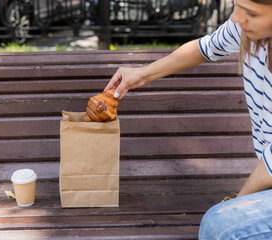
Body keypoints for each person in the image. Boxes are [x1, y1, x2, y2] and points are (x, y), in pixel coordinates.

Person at [104, 0, 272, 239]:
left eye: (251, 13)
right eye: (236, 4)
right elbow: (204, 48)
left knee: (220, 226)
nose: (236, 18)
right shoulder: (245, 30)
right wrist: (139, 75)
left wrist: (237, 204)